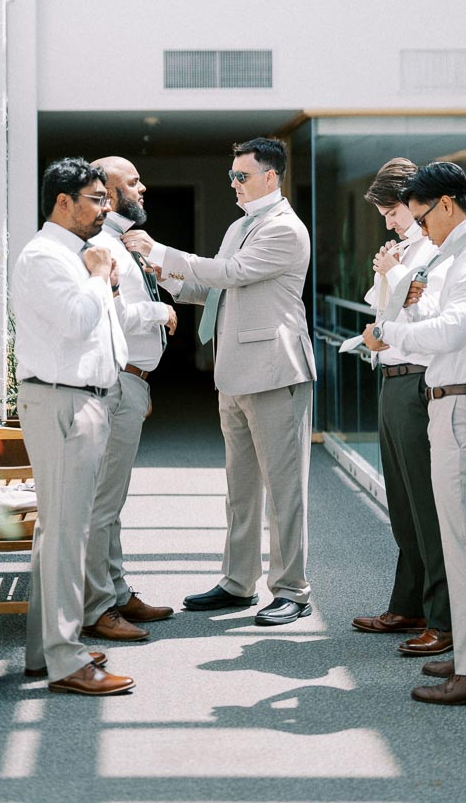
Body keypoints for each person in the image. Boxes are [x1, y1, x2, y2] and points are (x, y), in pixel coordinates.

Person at [123, 137, 316, 626]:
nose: (233, 183)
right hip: (233, 372)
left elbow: (233, 273)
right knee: (241, 487)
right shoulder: (239, 225)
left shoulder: (285, 230)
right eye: (231, 175)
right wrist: (163, 273)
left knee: (284, 490)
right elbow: (210, 288)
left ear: (271, 177)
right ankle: (238, 582)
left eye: (242, 175)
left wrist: (163, 249)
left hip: (275, 372)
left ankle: (292, 589)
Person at [381, 161, 466, 707]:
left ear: (446, 206)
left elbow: (450, 330)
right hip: (457, 404)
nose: (420, 229)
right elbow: (441, 320)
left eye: (422, 217)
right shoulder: (459, 257)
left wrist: (386, 332)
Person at [11, 157, 135, 697]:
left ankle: (46, 650)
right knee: (66, 534)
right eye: (96, 199)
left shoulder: (74, 254)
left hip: (81, 399)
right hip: (62, 403)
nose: (105, 208)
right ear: (64, 202)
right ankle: (66, 659)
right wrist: (100, 275)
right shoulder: (46, 257)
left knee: (55, 532)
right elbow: (79, 320)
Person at [355, 158, 453, 659]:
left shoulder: (435, 253)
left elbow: (423, 317)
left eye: (393, 211)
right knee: (402, 505)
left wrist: (395, 277)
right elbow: (380, 305)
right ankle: (410, 604)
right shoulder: (404, 252)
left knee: (424, 505)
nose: (389, 222)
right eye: (385, 214)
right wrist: (393, 279)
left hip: (415, 379)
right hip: (391, 377)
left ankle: (441, 618)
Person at [82, 156, 178, 642]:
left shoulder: (121, 242)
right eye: (133, 182)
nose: (144, 188)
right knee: (104, 501)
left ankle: (118, 593)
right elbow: (114, 315)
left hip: (131, 382)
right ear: (109, 192)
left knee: (113, 501)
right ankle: (98, 607)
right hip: (118, 381)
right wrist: (160, 313)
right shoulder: (101, 246)